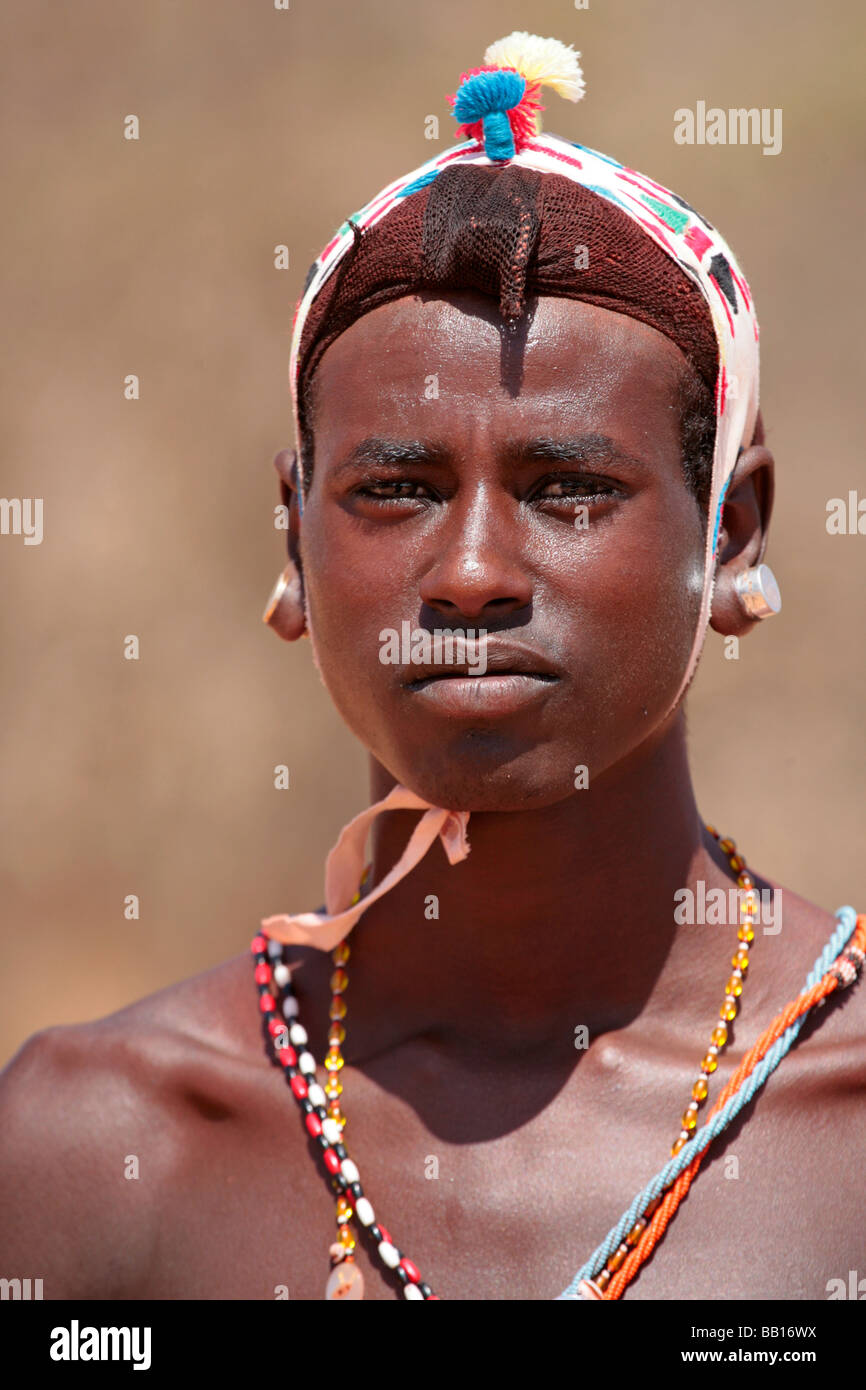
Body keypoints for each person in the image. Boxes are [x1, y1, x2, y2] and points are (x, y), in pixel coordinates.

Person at [1, 32, 863, 1303]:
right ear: (292, 543)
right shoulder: (103, 1149)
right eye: (394, 489)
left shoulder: (837, 1128)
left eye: (566, 487)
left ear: (730, 536)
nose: (468, 574)